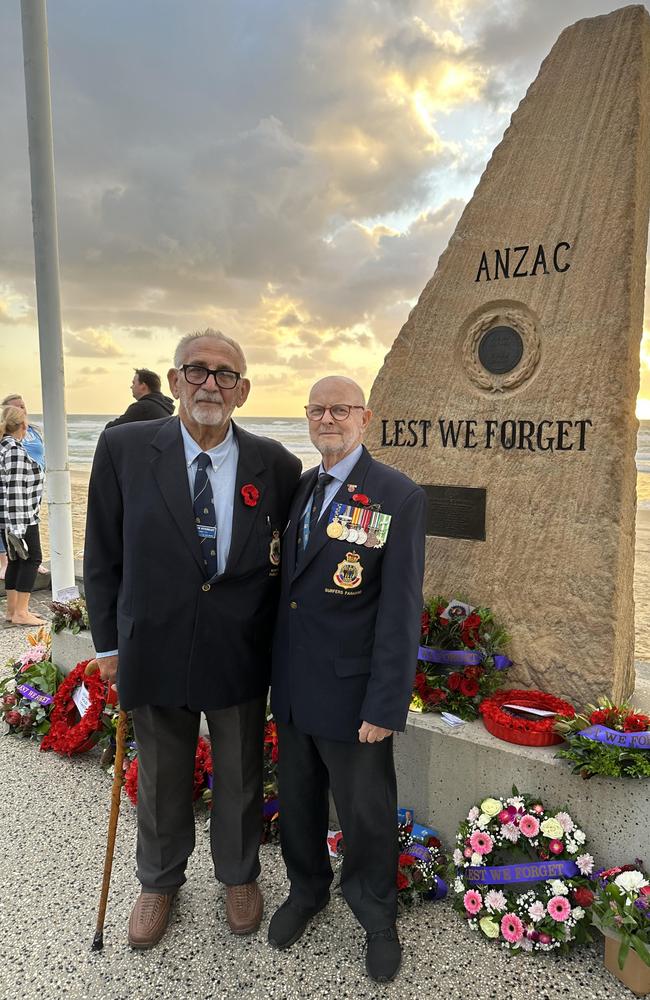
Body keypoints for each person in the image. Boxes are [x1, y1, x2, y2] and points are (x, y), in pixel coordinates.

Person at [83, 329, 301, 950]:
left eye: (225, 374)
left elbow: (297, 558)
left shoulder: (276, 465)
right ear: (175, 380)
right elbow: (101, 552)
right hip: (153, 644)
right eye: (197, 370)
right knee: (162, 773)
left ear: (244, 390)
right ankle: (159, 880)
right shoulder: (124, 448)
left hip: (238, 649)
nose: (211, 383)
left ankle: (238, 874)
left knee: (238, 771)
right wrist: (107, 646)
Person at [268, 376, 426, 984]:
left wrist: (385, 703)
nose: (327, 418)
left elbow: (400, 610)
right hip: (295, 687)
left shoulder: (396, 495)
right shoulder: (302, 489)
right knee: (300, 803)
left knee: (366, 815)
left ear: (366, 418)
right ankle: (306, 892)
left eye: (340, 410)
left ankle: (377, 917)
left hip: (355, 694)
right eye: (317, 410)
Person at [0, 405, 46, 625]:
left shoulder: (4, 448)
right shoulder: (15, 452)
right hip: (21, 517)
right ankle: (21, 612)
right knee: (32, 559)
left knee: (15, 561)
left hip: (7, 519)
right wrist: (18, 530)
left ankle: (12, 611)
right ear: (24, 425)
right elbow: (16, 490)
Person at [105, 368, 175, 427]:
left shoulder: (142, 407)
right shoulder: (164, 407)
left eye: (134, 383)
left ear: (143, 386)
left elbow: (110, 428)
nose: (131, 386)